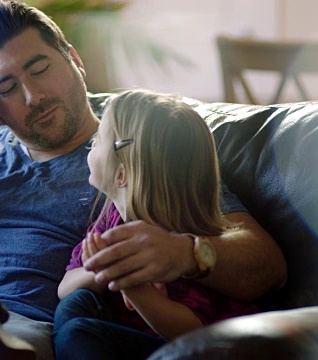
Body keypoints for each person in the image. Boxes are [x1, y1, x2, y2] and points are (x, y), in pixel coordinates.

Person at [0, 1, 286, 359]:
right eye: (7, 87)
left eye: (39, 68)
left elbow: (265, 264)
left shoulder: (133, 149)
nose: (33, 96)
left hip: (21, 333)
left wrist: (188, 253)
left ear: (73, 58)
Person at [52, 89, 259, 359]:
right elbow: (64, 288)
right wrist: (102, 270)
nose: (91, 144)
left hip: (193, 349)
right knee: (75, 302)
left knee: (78, 333)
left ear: (122, 175)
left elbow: (190, 332)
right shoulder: (111, 220)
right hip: (130, 336)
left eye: (98, 138)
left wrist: (135, 288)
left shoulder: (175, 241)